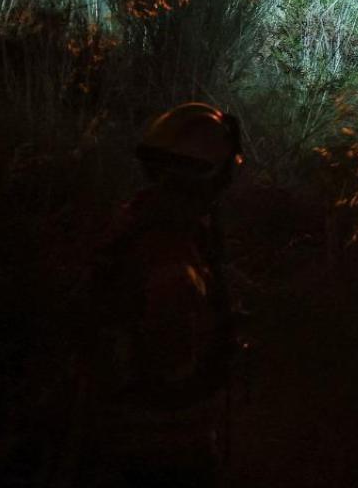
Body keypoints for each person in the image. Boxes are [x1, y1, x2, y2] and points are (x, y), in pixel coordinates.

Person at [85, 102, 243, 487]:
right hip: (159, 449)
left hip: (131, 435)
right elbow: (171, 368)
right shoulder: (171, 253)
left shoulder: (141, 220)